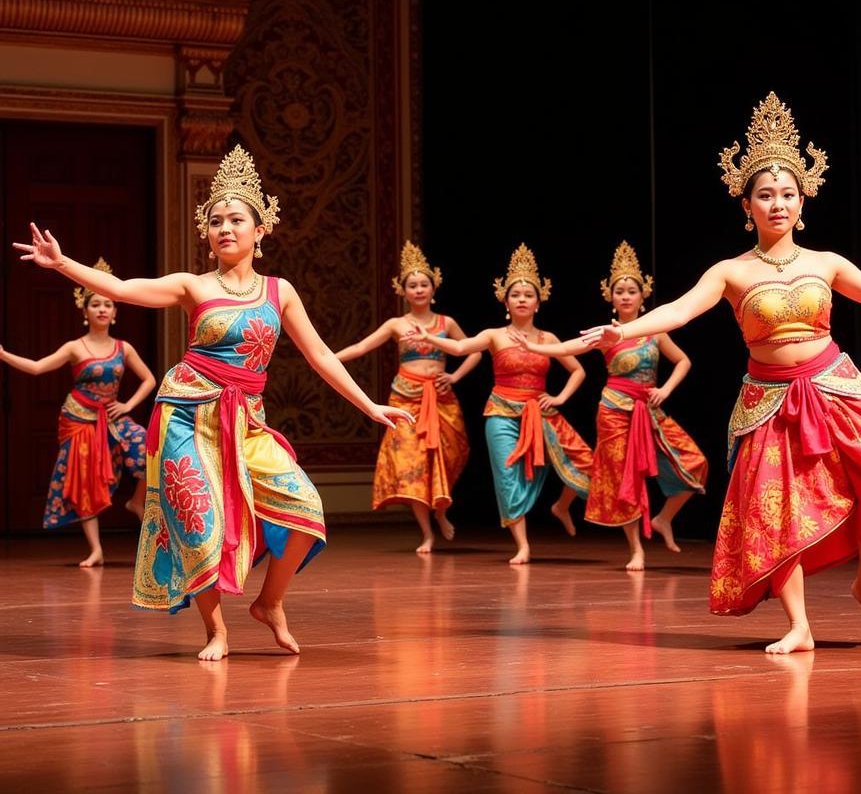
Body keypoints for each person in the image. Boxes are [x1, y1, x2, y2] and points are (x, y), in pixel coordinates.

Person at [580, 93, 861, 652]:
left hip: (834, 389)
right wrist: (624, 332)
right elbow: (678, 311)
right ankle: (799, 625)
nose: (777, 203)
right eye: (765, 195)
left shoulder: (825, 263)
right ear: (747, 205)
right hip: (769, 401)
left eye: (787, 194)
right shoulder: (730, 271)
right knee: (774, 512)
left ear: (802, 203)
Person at [14, 145, 412, 660]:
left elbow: (319, 357)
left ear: (259, 230)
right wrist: (62, 262)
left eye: (237, 219)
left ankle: (269, 604)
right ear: (208, 235)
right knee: (198, 525)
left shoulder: (279, 291)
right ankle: (215, 630)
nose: (226, 228)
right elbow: (121, 287)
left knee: (306, 508)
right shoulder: (192, 286)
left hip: (245, 420)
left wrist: (371, 407)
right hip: (186, 413)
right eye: (216, 221)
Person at [513, 241, 707, 571]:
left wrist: (665, 389)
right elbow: (570, 348)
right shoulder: (608, 333)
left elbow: (684, 361)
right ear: (611, 297)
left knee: (696, 461)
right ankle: (636, 550)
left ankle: (663, 519)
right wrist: (535, 347)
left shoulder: (655, 332)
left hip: (649, 410)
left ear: (643, 296)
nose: (626, 296)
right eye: (620, 291)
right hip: (615, 411)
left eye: (632, 290)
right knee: (621, 482)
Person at [412, 244, 592, 564]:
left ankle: (561, 506)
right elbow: (461, 346)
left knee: (585, 463)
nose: (522, 299)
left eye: (528, 294)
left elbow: (578, 370)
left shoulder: (548, 340)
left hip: (538, 410)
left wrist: (561, 397)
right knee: (507, 478)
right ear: (505, 301)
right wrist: (429, 339)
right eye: (516, 294)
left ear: (538, 301)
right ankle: (522, 545)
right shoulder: (494, 335)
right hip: (501, 413)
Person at [0, 257, 155, 567]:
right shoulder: (75, 347)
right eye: (95, 304)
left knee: (151, 448)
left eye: (108, 304)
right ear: (85, 312)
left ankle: (137, 501)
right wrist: (3, 355)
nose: (102, 309)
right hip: (79, 420)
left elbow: (150, 379)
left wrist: (127, 405)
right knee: (87, 482)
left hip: (112, 417)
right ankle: (96, 549)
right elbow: (36, 368)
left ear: (115, 313)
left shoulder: (123, 348)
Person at [335, 240, 480, 552]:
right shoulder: (396, 324)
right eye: (412, 285)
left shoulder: (446, 323)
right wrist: (328, 359)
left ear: (433, 288)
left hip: (440, 398)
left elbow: (474, 352)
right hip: (405, 398)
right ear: (402, 291)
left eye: (423, 284)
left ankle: (441, 510)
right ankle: (427, 532)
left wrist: (454, 375)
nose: (418, 290)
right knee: (410, 464)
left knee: (451, 455)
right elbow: (362, 347)